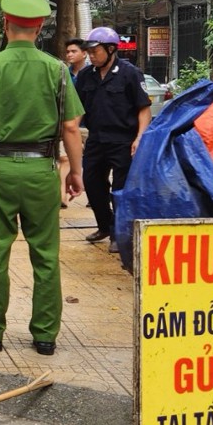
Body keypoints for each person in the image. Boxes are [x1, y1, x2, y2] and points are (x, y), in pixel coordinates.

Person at [0, 0, 85, 357]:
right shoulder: (58, 70)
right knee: (45, 254)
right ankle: (45, 336)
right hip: (43, 170)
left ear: (6, 25)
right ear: (41, 26)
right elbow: (71, 128)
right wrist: (76, 172)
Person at [75, 26, 151, 254]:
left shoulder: (130, 73)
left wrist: (140, 138)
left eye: (94, 51)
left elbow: (144, 109)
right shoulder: (86, 76)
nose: (90, 55)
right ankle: (105, 225)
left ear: (110, 49)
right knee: (92, 183)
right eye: (88, 52)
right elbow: (77, 108)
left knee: (120, 189)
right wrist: (72, 132)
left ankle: (119, 234)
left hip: (123, 141)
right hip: (96, 139)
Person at [58, 38, 88, 207]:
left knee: (91, 165)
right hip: (68, 125)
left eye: (73, 51)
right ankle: (61, 195)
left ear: (84, 54)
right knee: (64, 159)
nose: (69, 54)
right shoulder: (62, 74)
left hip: (88, 127)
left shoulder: (93, 74)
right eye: (68, 51)